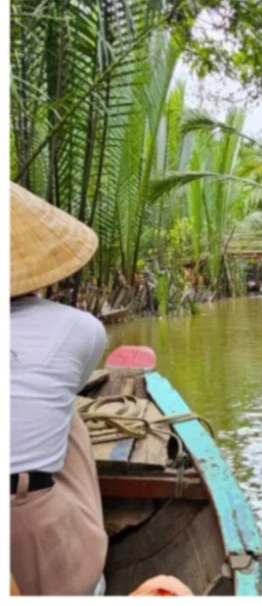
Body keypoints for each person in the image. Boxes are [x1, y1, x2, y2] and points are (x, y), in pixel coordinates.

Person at [10, 182, 109, 596]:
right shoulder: (80, 328)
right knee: (70, 419)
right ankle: (85, 575)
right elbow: (73, 386)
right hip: (24, 522)